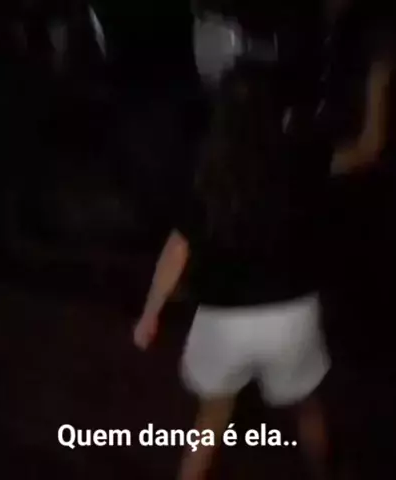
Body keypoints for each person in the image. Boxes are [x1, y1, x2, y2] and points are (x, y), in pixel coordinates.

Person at [133, 59, 331, 480]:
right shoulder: (303, 159)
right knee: (307, 408)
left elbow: (176, 251)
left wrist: (150, 314)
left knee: (209, 424)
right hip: (291, 314)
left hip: (223, 320)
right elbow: (365, 150)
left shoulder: (207, 172)